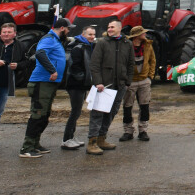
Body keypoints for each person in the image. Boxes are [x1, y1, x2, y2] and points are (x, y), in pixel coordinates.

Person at [19, 17, 69, 159]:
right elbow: (40, 53)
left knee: (44, 115)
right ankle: (26, 147)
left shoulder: (56, 40)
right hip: (41, 82)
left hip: (49, 84)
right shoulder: (49, 38)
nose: (69, 31)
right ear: (62, 28)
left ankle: (35, 144)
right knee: (38, 114)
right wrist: (52, 70)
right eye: (68, 28)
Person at [86, 18, 132, 156]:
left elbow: (130, 64)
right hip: (104, 86)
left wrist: (127, 81)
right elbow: (94, 65)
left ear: (119, 28)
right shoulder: (102, 43)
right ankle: (92, 142)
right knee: (97, 114)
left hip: (120, 86)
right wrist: (98, 82)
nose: (109, 29)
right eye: (108, 27)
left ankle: (102, 139)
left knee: (111, 112)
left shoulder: (127, 44)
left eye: (112, 27)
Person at [61, 25, 96, 150]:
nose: (92, 37)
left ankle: (71, 136)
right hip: (75, 85)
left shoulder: (88, 46)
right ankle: (66, 139)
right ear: (83, 34)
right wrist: (84, 79)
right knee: (75, 112)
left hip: (82, 85)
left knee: (77, 111)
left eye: (93, 34)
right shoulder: (77, 47)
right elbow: (74, 67)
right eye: (89, 34)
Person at [120, 26, 155, 142]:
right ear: (136, 36)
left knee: (144, 106)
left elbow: (152, 61)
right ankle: (128, 131)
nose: (145, 35)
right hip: (131, 81)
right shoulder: (126, 47)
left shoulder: (148, 45)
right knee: (127, 106)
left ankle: (143, 130)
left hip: (144, 80)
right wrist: (125, 79)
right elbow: (122, 63)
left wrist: (150, 77)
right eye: (142, 33)